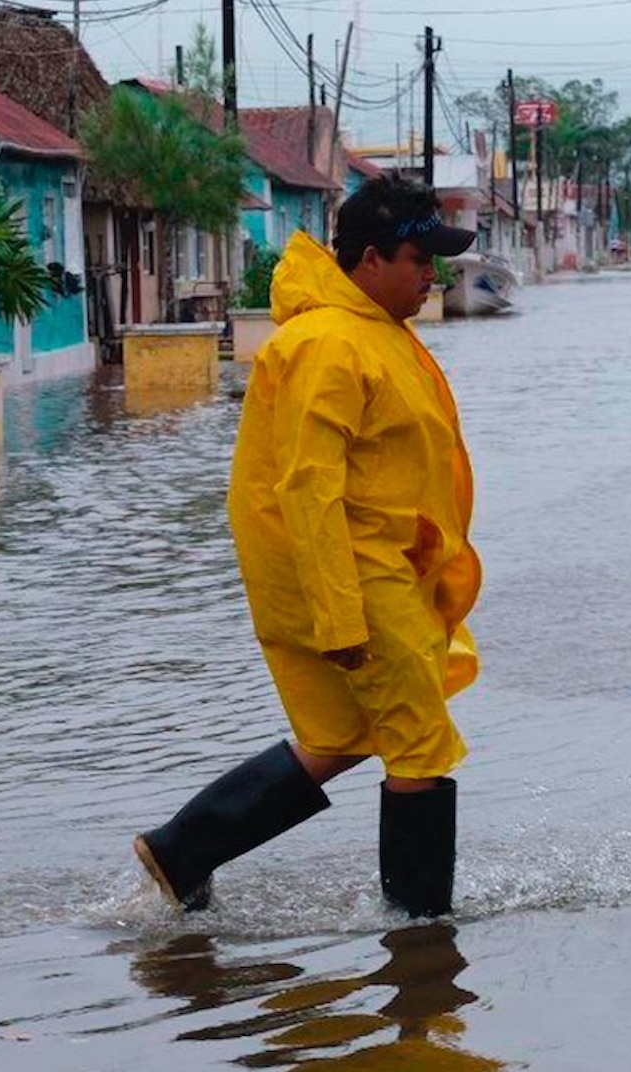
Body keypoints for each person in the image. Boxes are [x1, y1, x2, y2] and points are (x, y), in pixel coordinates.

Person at [134, 175, 484, 918]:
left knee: (346, 732)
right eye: (420, 259)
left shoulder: (371, 332)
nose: (433, 275)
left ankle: (182, 849)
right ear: (369, 260)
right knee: (419, 742)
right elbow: (306, 487)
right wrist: (340, 617)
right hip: (353, 575)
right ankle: (420, 936)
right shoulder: (327, 344)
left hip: (381, 566)